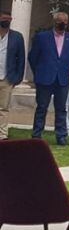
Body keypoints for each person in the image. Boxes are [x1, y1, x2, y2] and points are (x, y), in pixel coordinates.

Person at [29, 12, 69, 144]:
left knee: (61, 108)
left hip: (62, 78)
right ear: (55, 21)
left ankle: (61, 136)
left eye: (65, 21)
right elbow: (33, 57)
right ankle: (37, 135)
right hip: (44, 77)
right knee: (42, 107)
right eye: (60, 21)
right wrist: (39, 72)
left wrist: (62, 68)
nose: (63, 23)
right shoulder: (42, 37)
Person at [0, 10, 26, 140]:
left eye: (9, 19)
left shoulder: (17, 36)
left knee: (3, 108)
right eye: (4, 19)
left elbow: (21, 58)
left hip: (7, 78)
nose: (7, 21)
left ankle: (2, 134)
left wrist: (17, 78)